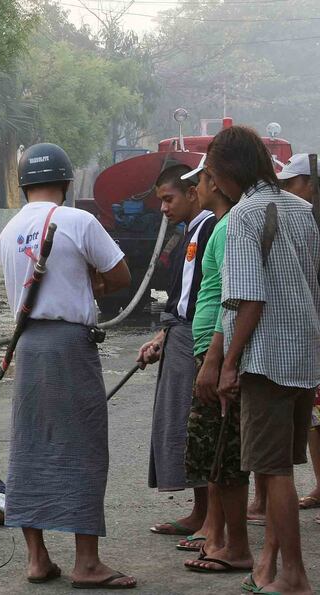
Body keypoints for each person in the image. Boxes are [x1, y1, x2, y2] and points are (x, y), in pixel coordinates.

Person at [0, 143, 136, 588]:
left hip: (28, 346)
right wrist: (88, 283)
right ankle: (88, 563)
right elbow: (121, 277)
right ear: (66, 181)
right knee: (83, 446)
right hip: (70, 345)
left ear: (24, 185)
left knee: (30, 446)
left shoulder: (6, 232)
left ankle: (37, 559)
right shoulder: (79, 221)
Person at [209, 126, 318, 595]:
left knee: (272, 473)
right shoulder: (303, 210)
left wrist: (228, 364)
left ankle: (293, 575)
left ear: (229, 172)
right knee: (282, 473)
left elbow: (248, 300)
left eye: (213, 175)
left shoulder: (242, 218)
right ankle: (270, 565)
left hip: (265, 360)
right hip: (302, 357)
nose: (212, 184)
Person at [174, 156, 254, 575]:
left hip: (216, 352)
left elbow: (232, 296)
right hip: (209, 348)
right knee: (212, 451)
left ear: (217, 183)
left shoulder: (228, 227)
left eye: (202, 180)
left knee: (221, 450)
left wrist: (219, 361)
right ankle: (218, 536)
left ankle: (233, 545)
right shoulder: (221, 226)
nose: (198, 189)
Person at [139, 164, 215, 536]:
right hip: (181, 333)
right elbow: (179, 297)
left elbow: (208, 296)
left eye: (168, 199)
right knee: (185, 423)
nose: (164, 208)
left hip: (199, 338)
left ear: (192, 192)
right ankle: (200, 513)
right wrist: (162, 337)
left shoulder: (212, 228)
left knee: (198, 423)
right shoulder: (190, 232)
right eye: (161, 201)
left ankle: (212, 520)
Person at [276, 153, 320, 522]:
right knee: (314, 416)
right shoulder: (300, 220)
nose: (289, 191)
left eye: (293, 184)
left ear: (311, 184)